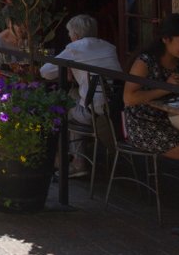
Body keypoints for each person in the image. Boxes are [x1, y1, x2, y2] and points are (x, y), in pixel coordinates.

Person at [122, 12, 179, 221]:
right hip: (146, 124)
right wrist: (165, 89)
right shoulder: (146, 61)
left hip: (175, 119)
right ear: (166, 39)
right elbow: (129, 98)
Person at [39, 14, 121, 177]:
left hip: (93, 113)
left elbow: (45, 72)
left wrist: (68, 66)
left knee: (58, 108)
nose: (69, 37)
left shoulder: (75, 48)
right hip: (115, 110)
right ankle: (77, 157)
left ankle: (67, 160)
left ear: (75, 35)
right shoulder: (109, 47)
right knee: (73, 96)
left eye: (70, 34)